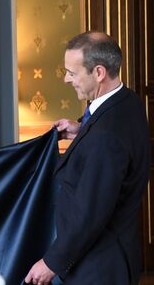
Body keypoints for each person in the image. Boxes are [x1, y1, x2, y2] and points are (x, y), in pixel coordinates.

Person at [24, 32, 150, 285]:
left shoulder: (106, 137)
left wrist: (51, 262)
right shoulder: (128, 102)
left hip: (100, 267)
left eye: (72, 72)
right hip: (107, 256)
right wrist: (82, 129)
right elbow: (106, 130)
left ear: (99, 72)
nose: (67, 79)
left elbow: (91, 214)